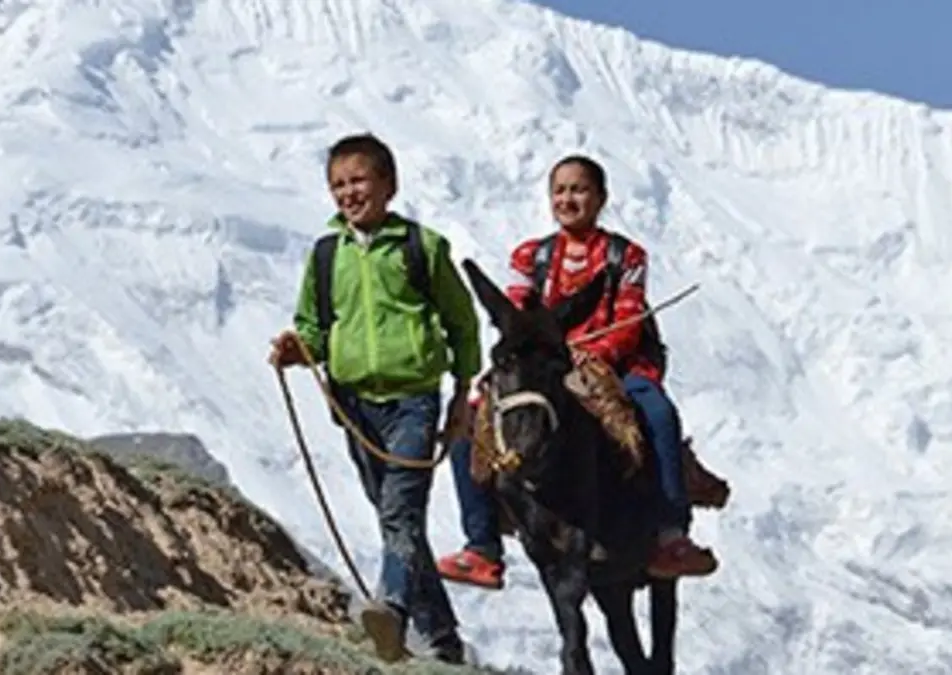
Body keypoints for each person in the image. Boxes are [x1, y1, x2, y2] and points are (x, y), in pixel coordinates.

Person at [437, 154, 718, 589]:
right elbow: (519, 314)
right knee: (469, 426)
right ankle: (482, 545)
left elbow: (626, 320)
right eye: (560, 190)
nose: (568, 199)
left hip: (616, 365)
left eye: (579, 189)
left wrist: (588, 353)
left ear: (601, 198)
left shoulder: (627, 256)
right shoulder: (531, 255)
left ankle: (670, 532)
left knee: (658, 413)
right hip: (545, 366)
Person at [268, 133, 481, 664]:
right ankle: (445, 641)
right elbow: (314, 325)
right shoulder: (325, 255)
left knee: (399, 511)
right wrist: (298, 349)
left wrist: (462, 392)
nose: (348, 193)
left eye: (358, 180)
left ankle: (392, 612)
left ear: (389, 184)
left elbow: (461, 322)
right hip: (354, 404)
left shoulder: (421, 247)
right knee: (396, 521)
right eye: (338, 184)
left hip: (414, 399)